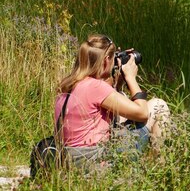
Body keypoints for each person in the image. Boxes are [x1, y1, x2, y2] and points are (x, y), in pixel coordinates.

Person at [55, 34, 170, 168]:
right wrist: (130, 77)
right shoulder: (96, 87)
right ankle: (157, 169)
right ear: (105, 60)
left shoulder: (67, 86)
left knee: (122, 113)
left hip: (71, 160)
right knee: (158, 106)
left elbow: (105, 114)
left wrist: (118, 84)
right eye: (113, 58)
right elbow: (143, 113)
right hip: (95, 163)